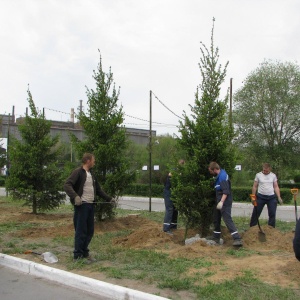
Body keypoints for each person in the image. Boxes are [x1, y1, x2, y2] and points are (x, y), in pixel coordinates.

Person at [64, 153, 114, 261]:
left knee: (90, 231)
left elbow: (99, 190)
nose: (94, 162)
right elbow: (67, 184)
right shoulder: (78, 172)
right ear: (88, 161)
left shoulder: (91, 174)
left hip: (90, 206)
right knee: (81, 231)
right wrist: (76, 197)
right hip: (82, 206)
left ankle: (85, 253)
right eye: (93, 160)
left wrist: (109, 199)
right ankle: (77, 256)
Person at [208, 162, 243, 246]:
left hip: (224, 201)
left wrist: (221, 202)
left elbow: (226, 192)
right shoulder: (219, 175)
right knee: (216, 217)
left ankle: (237, 238)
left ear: (215, 169)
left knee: (227, 218)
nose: (210, 173)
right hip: (219, 200)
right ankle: (216, 236)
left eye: (211, 171)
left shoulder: (222, 177)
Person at [249, 163, 283, 228]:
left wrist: (279, 197)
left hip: (271, 197)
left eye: (267, 171)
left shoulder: (273, 175)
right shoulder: (258, 175)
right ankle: (252, 227)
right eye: (264, 170)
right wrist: (253, 198)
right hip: (260, 197)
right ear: (263, 169)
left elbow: (276, 186)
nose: (265, 172)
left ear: (269, 169)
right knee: (256, 212)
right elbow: (254, 186)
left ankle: (271, 228)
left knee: (272, 213)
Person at [162, 159, 185, 235]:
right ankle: (166, 228)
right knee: (170, 209)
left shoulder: (180, 172)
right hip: (169, 192)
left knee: (175, 209)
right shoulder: (173, 172)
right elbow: (171, 176)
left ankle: (173, 226)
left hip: (174, 193)